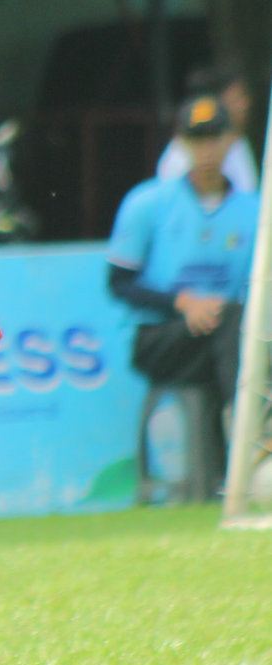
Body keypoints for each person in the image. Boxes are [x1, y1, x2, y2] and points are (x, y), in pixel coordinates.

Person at [109, 91, 257, 437]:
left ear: (231, 140)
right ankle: (250, 432)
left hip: (229, 333)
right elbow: (118, 283)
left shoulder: (255, 211)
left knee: (235, 324)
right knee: (230, 323)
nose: (206, 151)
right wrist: (183, 303)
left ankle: (232, 440)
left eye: (214, 139)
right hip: (161, 336)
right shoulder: (147, 203)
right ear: (181, 144)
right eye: (196, 140)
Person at [155, 65, 257, 193]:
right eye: (235, 99)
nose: (243, 105)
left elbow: (248, 192)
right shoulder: (180, 149)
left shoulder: (238, 143)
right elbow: (168, 195)